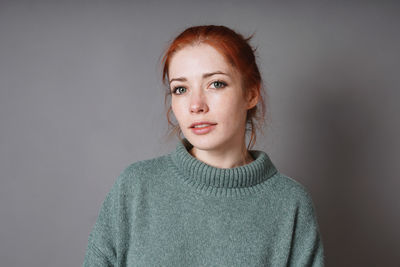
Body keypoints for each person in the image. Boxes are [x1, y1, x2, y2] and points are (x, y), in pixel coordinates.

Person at [83, 25, 324, 266]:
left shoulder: (290, 203)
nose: (195, 105)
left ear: (251, 93)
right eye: (181, 89)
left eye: (216, 84)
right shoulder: (135, 187)